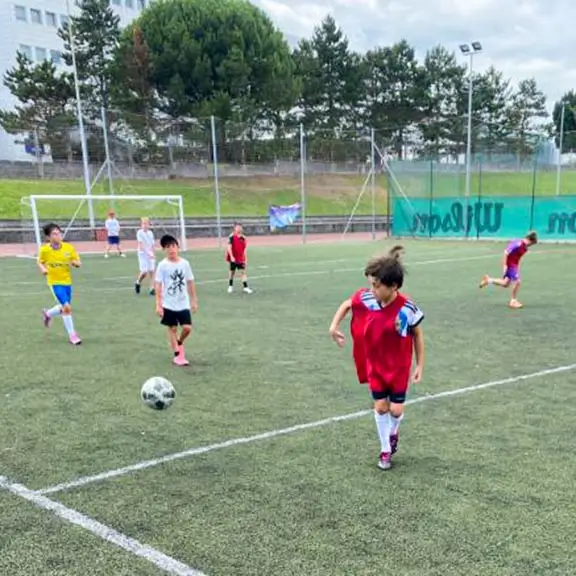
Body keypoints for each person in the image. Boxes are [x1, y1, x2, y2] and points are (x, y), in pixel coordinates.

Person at [329, 246, 424, 470]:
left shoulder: (407, 308)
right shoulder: (367, 298)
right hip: (376, 366)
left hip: (399, 368)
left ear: (394, 287)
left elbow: (417, 335)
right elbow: (346, 304)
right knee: (381, 407)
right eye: (371, 283)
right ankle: (385, 450)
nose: (371, 289)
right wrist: (334, 327)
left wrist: (419, 364)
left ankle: (393, 433)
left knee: (396, 411)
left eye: (376, 285)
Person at [154, 234, 198, 366]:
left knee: (187, 328)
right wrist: (158, 304)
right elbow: (158, 285)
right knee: (172, 328)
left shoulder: (185, 264)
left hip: (183, 303)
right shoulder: (162, 265)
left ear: (178, 247)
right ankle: (177, 355)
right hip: (168, 303)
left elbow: (190, 282)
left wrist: (194, 300)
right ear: (164, 250)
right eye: (168, 247)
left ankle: (179, 341)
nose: (171, 249)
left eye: (173, 246)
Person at [38, 223, 82, 345]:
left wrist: (76, 263)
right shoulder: (45, 250)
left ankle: (48, 313)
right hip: (54, 282)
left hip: (67, 281)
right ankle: (73, 336)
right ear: (48, 237)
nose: (58, 235)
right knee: (67, 308)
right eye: (54, 233)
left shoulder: (69, 248)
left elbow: (78, 261)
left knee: (64, 307)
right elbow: (40, 262)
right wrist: (43, 269)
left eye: (59, 233)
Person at [479, 231, 538, 308]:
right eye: (532, 243)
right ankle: (513, 301)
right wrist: (505, 266)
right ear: (530, 240)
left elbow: (517, 258)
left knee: (505, 283)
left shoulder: (525, 248)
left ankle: (488, 280)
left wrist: (517, 267)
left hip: (514, 266)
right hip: (510, 265)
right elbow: (506, 252)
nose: (531, 245)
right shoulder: (518, 244)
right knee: (517, 282)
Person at [226, 223, 253, 294]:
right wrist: (231, 256)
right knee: (232, 272)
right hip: (234, 258)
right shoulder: (231, 236)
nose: (239, 229)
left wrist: (245, 259)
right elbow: (229, 247)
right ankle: (230, 286)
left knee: (242, 272)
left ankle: (246, 287)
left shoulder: (243, 238)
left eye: (240, 227)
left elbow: (244, 249)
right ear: (234, 228)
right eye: (237, 227)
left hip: (240, 258)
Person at [135, 217, 156, 295]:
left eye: (146, 223)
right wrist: (148, 253)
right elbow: (141, 246)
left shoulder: (150, 233)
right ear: (141, 225)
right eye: (143, 223)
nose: (145, 225)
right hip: (142, 254)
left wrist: (153, 253)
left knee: (152, 271)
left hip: (150, 254)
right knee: (144, 272)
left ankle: (152, 288)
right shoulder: (139, 233)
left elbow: (153, 244)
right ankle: (138, 282)